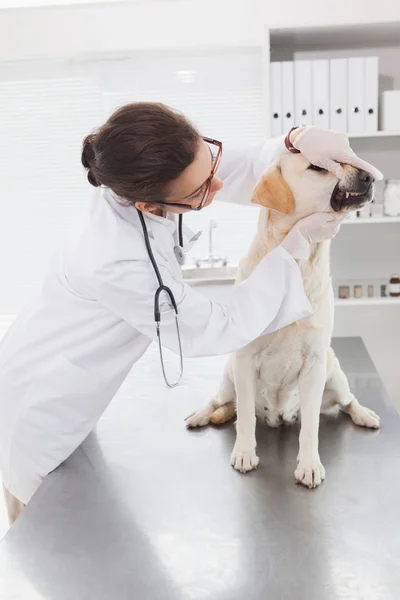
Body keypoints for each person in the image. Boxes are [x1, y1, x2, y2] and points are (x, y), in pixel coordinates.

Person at [0, 102, 381, 525]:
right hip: (42, 410)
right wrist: (292, 248)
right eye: (200, 192)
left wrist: (295, 140)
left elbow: (242, 170)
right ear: (148, 205)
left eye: (210, 160)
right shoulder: (115, 261)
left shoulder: (154, 163)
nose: (218, 183)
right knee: (55, 548)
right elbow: (215, 329)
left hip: (76, 385)